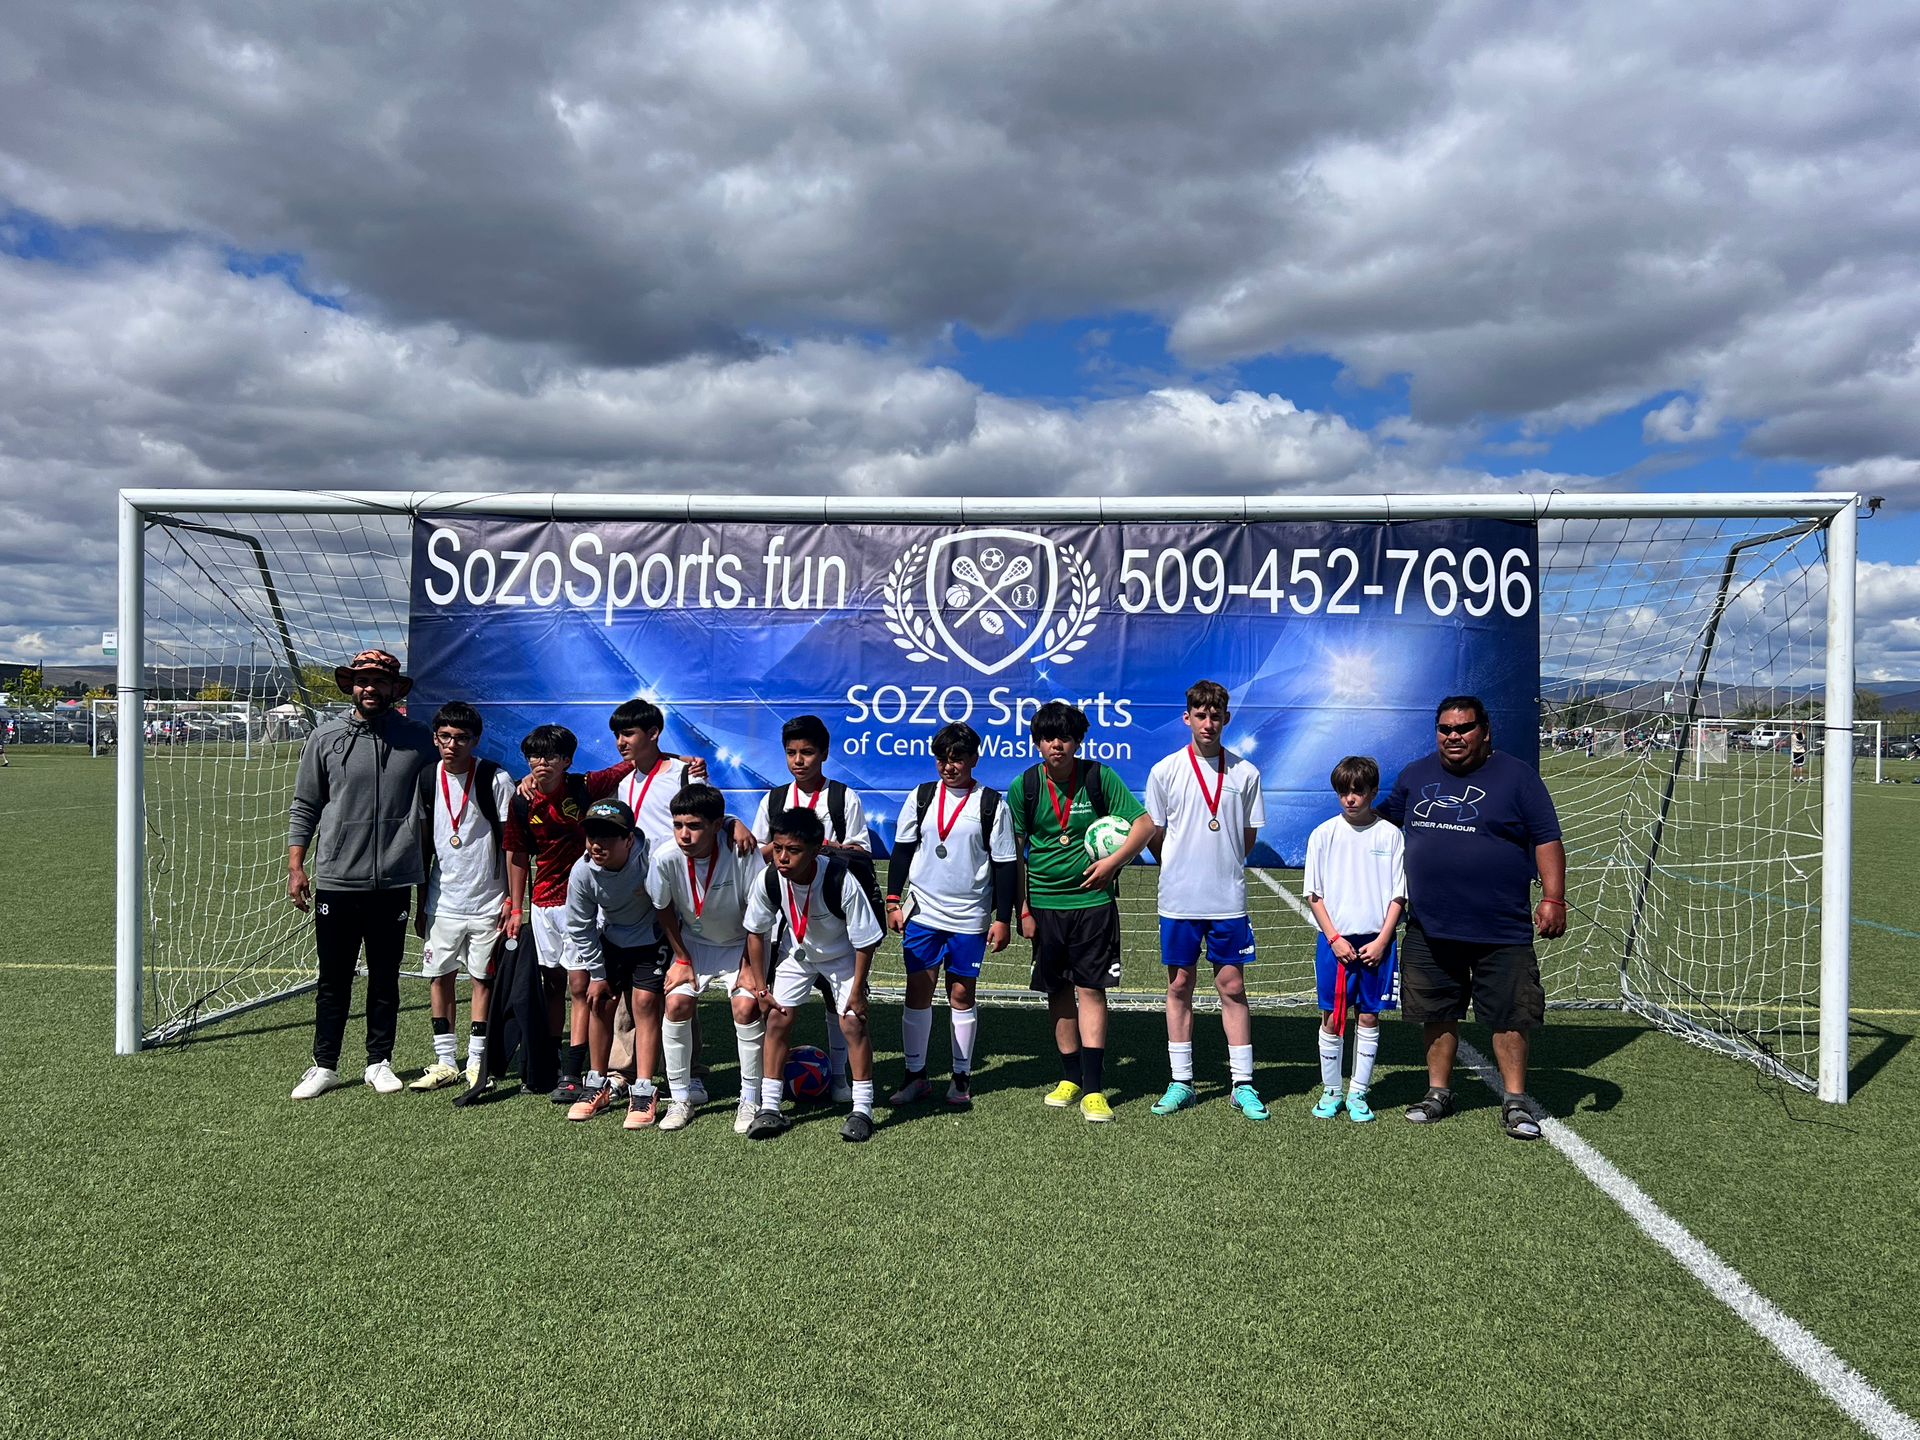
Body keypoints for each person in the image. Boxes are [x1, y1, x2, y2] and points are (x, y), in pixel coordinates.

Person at [1376, 695, 1566, 1140]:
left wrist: (1553, 898)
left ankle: (1515, 1100)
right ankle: (1438, 1091)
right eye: (1445, 729)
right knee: (1436, 1012)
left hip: (1501, 926)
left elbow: (1546, 838)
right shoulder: (1416, 774)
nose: (1453, 736)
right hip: (1429, 924)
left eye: (1462, 728)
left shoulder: (1518, 776)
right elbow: (1381, 825)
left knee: (1509, 1014)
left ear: (1484, 730)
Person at [286, 650, 437, 1101]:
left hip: (394, 880)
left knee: (386, 976)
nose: (369, 688)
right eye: (361, 681)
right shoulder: (325, 738)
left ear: (395, 689)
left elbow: (449, 783)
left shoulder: (418, 739)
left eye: (379, 682)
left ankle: (379, 1062)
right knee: (333, 978)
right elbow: (306, 805)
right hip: (336, 878)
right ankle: (324, 1065)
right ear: (351, 686)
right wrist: (296, 865)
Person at [1008, 701, 1155, 1123]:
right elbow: (1015, 855)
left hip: (1093, 905)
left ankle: (1093, 1089)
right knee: (1057, 992)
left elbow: (1143, 826)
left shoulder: (1098, 776)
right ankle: (1070, 1078)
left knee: (1091, 989)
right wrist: (1023, 909)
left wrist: (1113, 863)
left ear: (1078, 741)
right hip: (1045, 907)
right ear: (1038, 742)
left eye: (1066, 737)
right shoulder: (1025, 786)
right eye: (1050, 737)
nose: (1058, 744)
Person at [1142, 680, 1269, 1120]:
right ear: (1187, 717)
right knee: (1179, 986)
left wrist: (1221, 862)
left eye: (1216, 715)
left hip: (1226, 899)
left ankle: (1243, 1084)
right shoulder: (1164, 771)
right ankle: (1182, 1081)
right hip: (1178, 900)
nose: (1208, 723)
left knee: (1232, 986)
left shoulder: (1246, 774)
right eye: (1200, 714)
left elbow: (1247, 836)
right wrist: (1181, 866)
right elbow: (1155, 835)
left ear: (1226, 719)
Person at [499, 724, 634, 1106]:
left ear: (568, 761)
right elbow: (518, 854)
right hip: (542, 905)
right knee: (552, 985)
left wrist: (681, 760)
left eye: (551, 756)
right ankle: (551, 1061)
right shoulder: (521, 800)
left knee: (580, 986)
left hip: (582, 903)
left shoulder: (584, 786)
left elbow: (630, 762)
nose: (542, 763)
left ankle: (575, 1071)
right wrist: (515, 905)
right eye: (535, 756)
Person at [884, 722, 1016, 1108]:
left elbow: (1006, 866)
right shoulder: (922, 797)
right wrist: (894, 901)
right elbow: (903, 850)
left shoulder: (992, 804)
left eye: (957, 758)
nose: (949, 765)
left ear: (974, 758)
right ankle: (915, 1077)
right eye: (942, 758)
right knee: (917, 992)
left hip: (970, 917)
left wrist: (1002, 919)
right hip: (923, 913)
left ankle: (960, 1078)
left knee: (961, 994)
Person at [741, 806, 884, 1143]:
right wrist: (761, 987)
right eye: (777, 849)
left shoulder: (839, 878)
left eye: (793, 850)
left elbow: (866, 941)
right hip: (797, 955)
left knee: (852, 1022)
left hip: (843, 956)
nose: (782, 858)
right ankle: (770, 1108)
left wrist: (858, 990)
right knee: (777, 1019)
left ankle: (863, 1109)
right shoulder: (769, 878)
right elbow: (755, 932)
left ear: (816, 849)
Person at [749, 713, 869, 1101]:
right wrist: (783, 847)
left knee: (840, 1009)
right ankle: (763, 1100)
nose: (799, 761)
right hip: (793, 921)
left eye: (807, 753)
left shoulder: (842, 796)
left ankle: (839, 1079)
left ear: (824, 754)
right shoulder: (774, 798)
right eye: (791, 753)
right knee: (781, 1012)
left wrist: (823, 852)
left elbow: (861, 851)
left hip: (833, 913)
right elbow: (761, 852)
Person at [647, 783, 767, 1133]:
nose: (684, 835)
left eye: (694, 826)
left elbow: (758, 915)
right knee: (676, 1006)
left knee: (745, 1008)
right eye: (678, 825)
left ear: (717, 825)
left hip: (743, 942)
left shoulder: (741, 851)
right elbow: (662, 908)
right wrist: (681, 957)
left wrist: (748, 964)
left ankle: (750, 1098)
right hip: (694, 945)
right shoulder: (665, 856)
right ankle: (681, 1097)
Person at [410, 700, 517, 1090]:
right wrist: (422, 900)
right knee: (439, 978)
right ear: (435, 738)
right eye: (445, 737)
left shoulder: (494, 778)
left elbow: (511, 844)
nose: (452, 744)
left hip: (489, 901)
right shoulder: (425, 778)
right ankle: (444, 1061)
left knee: (481, 980)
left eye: (461, 738)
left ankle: (476, 1061)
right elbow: (424, 846)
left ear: (475, 739)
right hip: (443, 901)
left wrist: (511, 900)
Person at [1302, 755, 1407, 1123]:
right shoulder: (1323, 834)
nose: (1350, 798)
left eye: (1358, 792)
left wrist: (1382, 941)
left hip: (1378, 943)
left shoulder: (1391, 835)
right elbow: (1314, 896)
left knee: (1368, 1015)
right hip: (1336, 943)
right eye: (1343, 792)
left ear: (1373, 792)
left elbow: (1398, 895)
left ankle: (1359, 1092)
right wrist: (1333, 939)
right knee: (1332, 1017)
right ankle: (1331, 1092)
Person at [561, 799, 667, 1123]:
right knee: (600, 1002)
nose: (596, 844)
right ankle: (596, 1084)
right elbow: (579, 924)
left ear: (629, 839)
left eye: (607, 836)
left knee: (646, 1003)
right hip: (613, 938)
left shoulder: (653, 858)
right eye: (592, 835)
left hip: (652, 937)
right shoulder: (582, 872)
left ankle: (645, 1090)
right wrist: (596, 972)